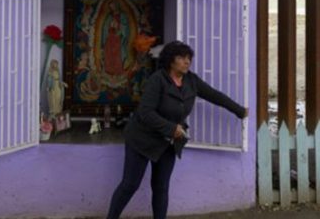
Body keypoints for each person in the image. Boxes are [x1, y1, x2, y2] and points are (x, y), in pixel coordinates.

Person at [105, 40, 248, 219]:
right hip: (142, 139)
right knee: (130, 185)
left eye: (189, 58)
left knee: (161, 187)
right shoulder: (158, 80)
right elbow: (145, 112)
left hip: (167, 142)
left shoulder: (191, 81)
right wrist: (171, 128)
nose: (187, 61)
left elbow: (214, 95)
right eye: (182, 58)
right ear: (171, 60)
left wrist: (239, 110)